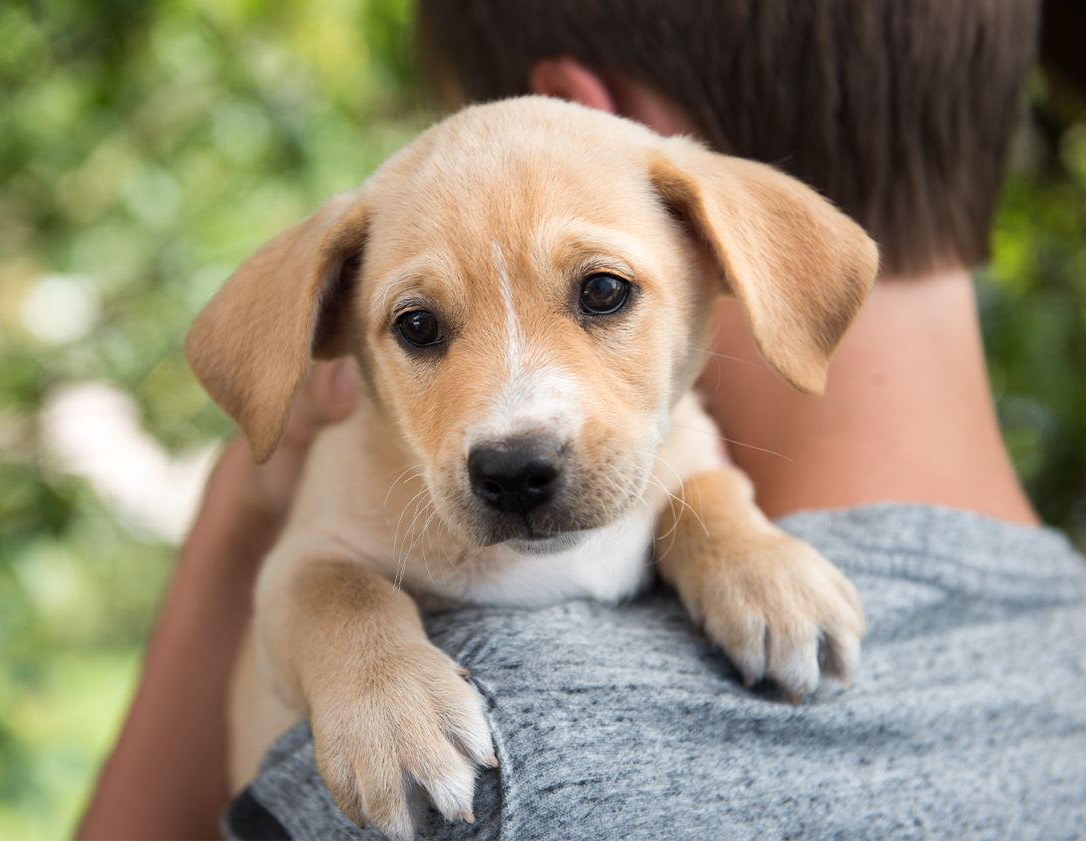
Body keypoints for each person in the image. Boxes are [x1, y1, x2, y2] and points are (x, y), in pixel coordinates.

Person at [77, 1, 1086, 838]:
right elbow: (316, 578)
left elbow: (692, 479)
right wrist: (286, 558)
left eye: (601, 293)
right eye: (421, 326)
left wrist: (718, 530)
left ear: (563, 106)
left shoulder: (492, 781)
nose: (513, 426)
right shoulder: (1065, 656)